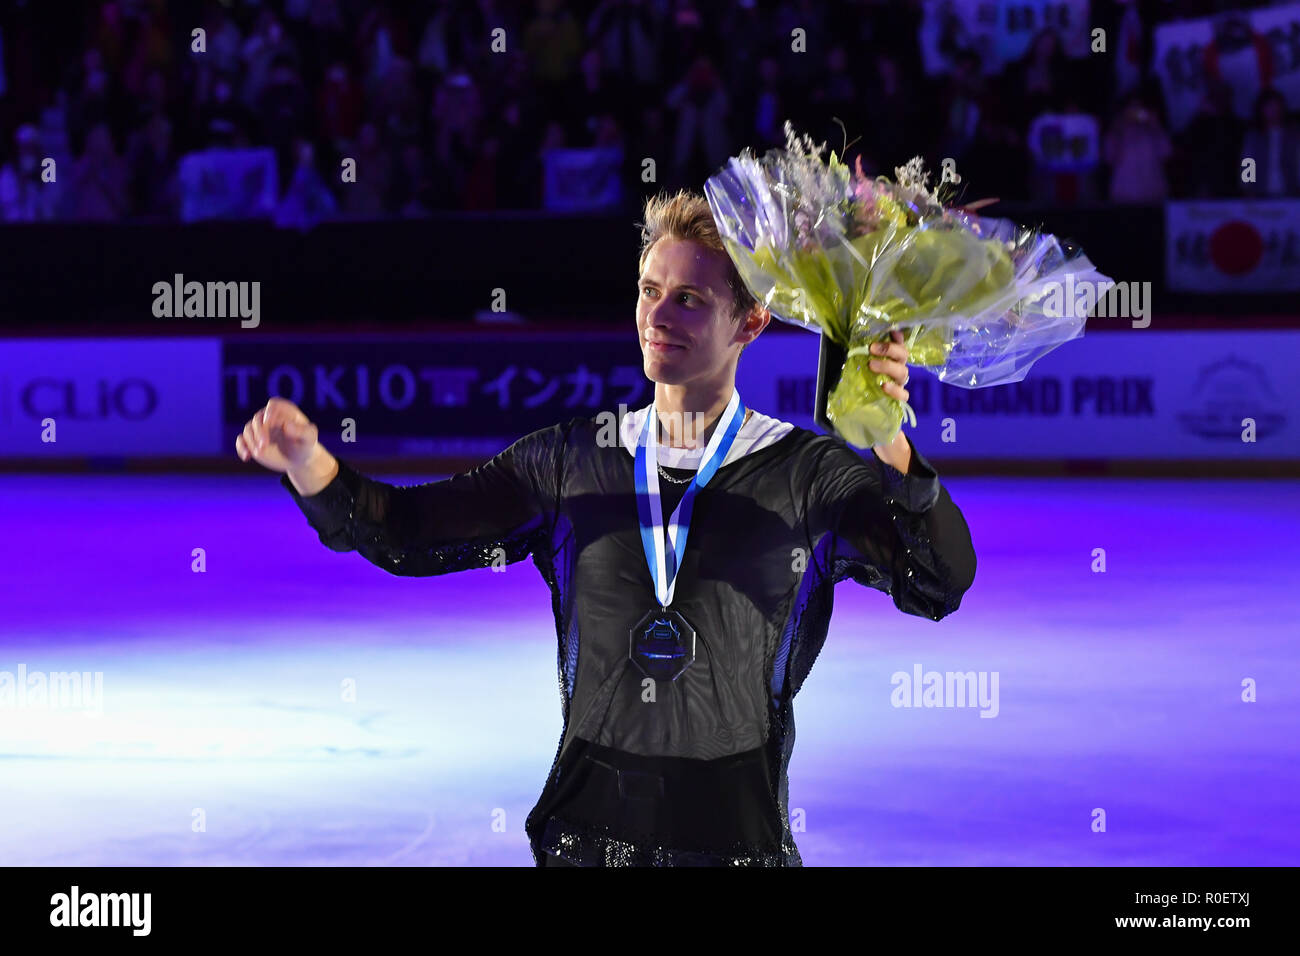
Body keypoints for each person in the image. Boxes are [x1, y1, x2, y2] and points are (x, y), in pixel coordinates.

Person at [236, 190, 978, 866]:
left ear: (750, 320)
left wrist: (891, 447)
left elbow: (939, 580)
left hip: (733, 846)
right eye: (650, 291)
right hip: (585, 841)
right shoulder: (569, 461)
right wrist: (310, 462)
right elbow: (402, 533)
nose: (658, 316)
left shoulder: (807, 474)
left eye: (689, 299)